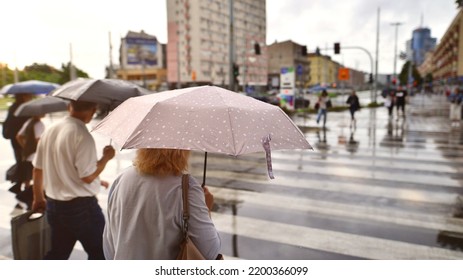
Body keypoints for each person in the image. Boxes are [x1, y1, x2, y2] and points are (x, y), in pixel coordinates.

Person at [32, 100, 116, 260]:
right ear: (93, 109)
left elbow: (37, 169)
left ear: (69, 107)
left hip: (54, 206)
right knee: (102, 252)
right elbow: (86, 177)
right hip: (81, 208)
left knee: (58, 253)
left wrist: (38, 198)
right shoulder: (82, 134)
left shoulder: (50, 130)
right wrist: (106, 158)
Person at [103, 148, 221, 260]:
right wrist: (206, 209)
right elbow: (210, 252)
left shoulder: (122, 178)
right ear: (183, 151)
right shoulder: (186, 189)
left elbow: (109, 248)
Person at [2, 93, 34, 194]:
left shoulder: (14, 107)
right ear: (24, 96)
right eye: (30, 96)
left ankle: (19, 183)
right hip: (21, 139)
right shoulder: (23, 109)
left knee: (20, 160)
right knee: (24, 161)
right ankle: (21, 183)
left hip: (14, 139)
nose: (31, 97)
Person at [15, 114, 46, 209]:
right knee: (38, 176)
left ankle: (26, 197)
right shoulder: (40, 124)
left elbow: (18, 136)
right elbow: (38, 140)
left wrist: (26, 147)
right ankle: (35, 199)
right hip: (35, 155)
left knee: (27, 178)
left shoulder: (29, 122)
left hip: (28, 155)